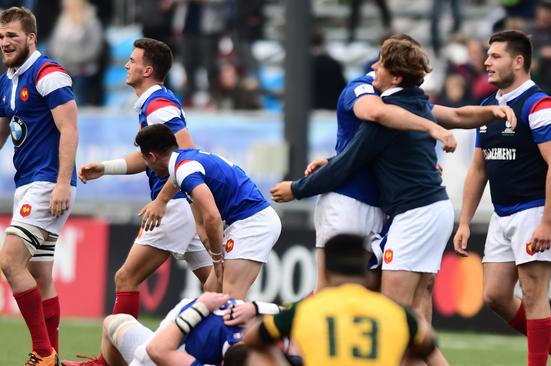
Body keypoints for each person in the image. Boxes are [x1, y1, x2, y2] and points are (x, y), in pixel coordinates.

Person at [273, 34, 515, 296]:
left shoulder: (405, 103)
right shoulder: (363, 89)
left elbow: (454, 115)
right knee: (334, 292)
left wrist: (491, 112)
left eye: (380, 61)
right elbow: (375, 120)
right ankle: (284, 330)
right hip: (348, 201)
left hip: (386, 208)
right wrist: (434, 130)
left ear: (397, 75)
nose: (374, 66)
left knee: (375, 293)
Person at [69, 38, 213, 364]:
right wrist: (107, 168)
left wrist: (162, 201)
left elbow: (184, 153)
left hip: (175, 204)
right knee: (219, 288)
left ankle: (110, 362)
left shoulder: (158, 104)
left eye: (132, 60)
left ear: (147, 70)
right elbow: (151, 156)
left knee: (125, 278)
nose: (126, 64)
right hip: (188, 205)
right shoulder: (155, 103)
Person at [451, 30, 551, 366]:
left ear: (518, 62)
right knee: (494, 296)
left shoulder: (540, 106)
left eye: (495, 56)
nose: (486, 62)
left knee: (534, 295)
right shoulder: (487, 107)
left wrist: (548, 222)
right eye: (487, 55)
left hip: (535, 211)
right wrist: (464, 220)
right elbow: (479, 169)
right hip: (502, 214)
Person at [0, 7, 78, 366]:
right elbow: (3, 133)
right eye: (1, 37)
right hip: (27, 183)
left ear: (31, 38)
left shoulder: (49, 74)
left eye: (12, 36)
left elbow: (69, 129)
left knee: (9, 261)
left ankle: (43, 353)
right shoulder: (8, 79)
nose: (5, 42)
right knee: (40, 274)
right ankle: (54, 356)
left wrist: (63, 183)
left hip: (47, 183)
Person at [134, 123, 281, 300]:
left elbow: (212, 217)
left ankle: (278, 321)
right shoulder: (184, 163)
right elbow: (201, 220)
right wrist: (160, 202)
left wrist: (217, 259)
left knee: (230, 296)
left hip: (253, 223)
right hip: (246, 221)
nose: (146, 166)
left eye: (145, 160)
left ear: (153, 156)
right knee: (212, 291)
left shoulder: (184, 171)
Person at [244, 233, 438, 365]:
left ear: (324, 273)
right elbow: (429, 344)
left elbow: (251, 339)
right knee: (418, 349)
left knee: (256, 350)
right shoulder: (397, 313)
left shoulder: (303, 309)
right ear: (368, 275)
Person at [62, 291, 283, 366]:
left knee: (117, 325)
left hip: (159, 353)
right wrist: (257, 307)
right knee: (114, 321)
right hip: (173, 342)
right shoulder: (290, 350)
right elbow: (304, 311)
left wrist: (200, 307)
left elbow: (156, 351)